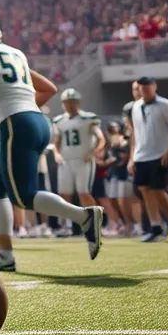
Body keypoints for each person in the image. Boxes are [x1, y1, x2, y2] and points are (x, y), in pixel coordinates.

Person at [0, 7, 102, 273]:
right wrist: (21, 107)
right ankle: (6, 254)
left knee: (23, 196)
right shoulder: (15, 53)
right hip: (34, 121)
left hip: (16, 125)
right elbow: (49, 89)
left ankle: (83, 216)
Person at [128, 76, 168, 243]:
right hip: (141, 155)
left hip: (160, 154)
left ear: (154, 86)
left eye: (146, 87)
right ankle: (155, 226)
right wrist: (132, 157)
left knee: (158, 190)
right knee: (145, 190)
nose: (143, 91)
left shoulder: (166, 105)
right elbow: (135, 132)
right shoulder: (136, 106)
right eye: (140, 88)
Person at [50, 89, 105, 230]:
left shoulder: (88, 118)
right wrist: (57, 154)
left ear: (78, 103)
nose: (70, 105)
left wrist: (92, 152)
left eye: (73, 101)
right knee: (64, 194)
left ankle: (94, 223)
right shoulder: (59, 120)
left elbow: (101, 139)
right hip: (66, 160)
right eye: (67, 102)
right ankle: (68, 225)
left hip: (83, 159)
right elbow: (57, 141)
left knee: (83, 192)